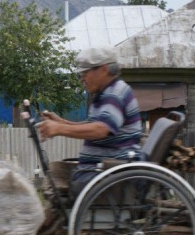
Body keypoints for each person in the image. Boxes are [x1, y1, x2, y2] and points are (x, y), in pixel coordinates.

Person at [36, 46, 142, 210]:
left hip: (109, 172)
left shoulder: (114, 95)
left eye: (85, 73)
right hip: (101, 167)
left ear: (103, 70)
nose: (82, 78)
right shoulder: (107, 93)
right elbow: (93, 125)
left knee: (56, 183)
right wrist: (61, 122)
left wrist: (59, 129)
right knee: (55, 174)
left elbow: (100, 129)